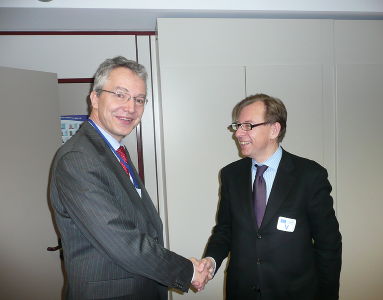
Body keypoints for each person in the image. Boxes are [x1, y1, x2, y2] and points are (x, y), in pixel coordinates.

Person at [50, 56, 212, 299]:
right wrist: (187, 271)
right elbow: (120, 239)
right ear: (94, 97)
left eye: (139, 99)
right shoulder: (78, 159)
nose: (130, 107)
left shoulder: (113, 151)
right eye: (120, 94)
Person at [201, 94, 342, 299]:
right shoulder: (231, 175)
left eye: (248, 125)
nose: (238, 133)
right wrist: (211, 261)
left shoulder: (309, 175)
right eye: (237, 125)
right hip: (242, 292)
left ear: (274, 130)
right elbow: (225, 229)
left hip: (295, 292)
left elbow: (328, 244)